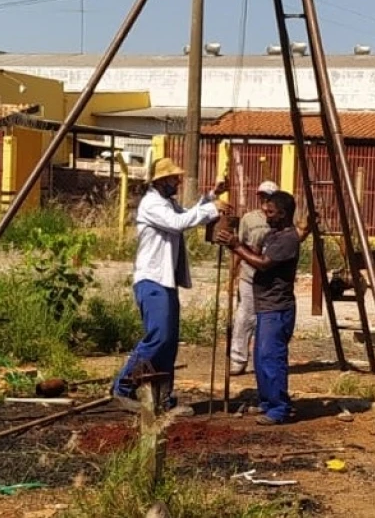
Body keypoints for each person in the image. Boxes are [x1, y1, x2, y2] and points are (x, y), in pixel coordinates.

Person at [112, 158, 228, 416]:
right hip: (152, 280)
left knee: (169, 342)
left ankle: (162, 398)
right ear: (161, 181)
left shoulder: (166, 203)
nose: (178, 182)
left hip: (164, 280)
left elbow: (185, 215)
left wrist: (212, 196)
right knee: (159, 337)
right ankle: (123, 387)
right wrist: (212, 208)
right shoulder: (152, 204)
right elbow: (179, 223)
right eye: (174, 178)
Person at [221, 190, 300, 425]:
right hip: (265, 306)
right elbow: (255, 254)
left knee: (271, 358)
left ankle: (279, 408)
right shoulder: (272, 235)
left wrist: (236, 246)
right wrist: (235, 243)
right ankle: (267, 402)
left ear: (283, 214)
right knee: (260, 358)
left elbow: (264, 264)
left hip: (277, 308)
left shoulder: (288, 239)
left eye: (271, 212)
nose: (266, 215)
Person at [230, 180, 280, 376]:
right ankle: (238, 359)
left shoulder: (281, 220)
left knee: (267, 321)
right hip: (249, 276)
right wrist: (232, 274)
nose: (265, 200)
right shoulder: (249, 219)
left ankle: (263, 361)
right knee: (245, 317)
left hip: (271, 280)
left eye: (269, 197)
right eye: (263, 196)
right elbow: (238, 246)